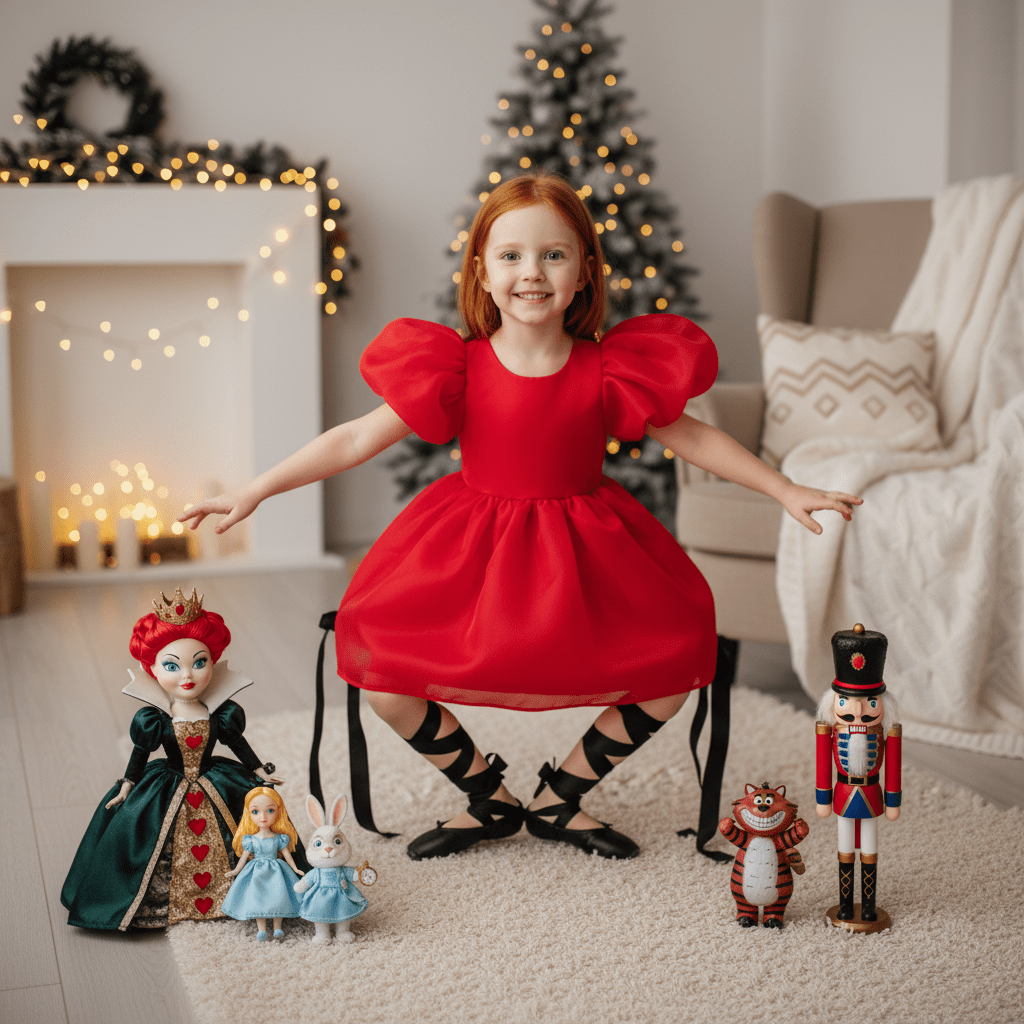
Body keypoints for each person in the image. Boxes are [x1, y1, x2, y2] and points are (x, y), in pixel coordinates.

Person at [180, 174, 860, 862]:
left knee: (674, 664)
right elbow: (355, 438)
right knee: (385, 680)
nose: (531, 273)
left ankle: (561, 796)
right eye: (510, 256)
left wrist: (784, 489)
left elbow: (693, 436)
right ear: (481, 268)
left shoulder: (608, 368)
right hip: (471, 542)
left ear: (585, 272)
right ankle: (489, 798)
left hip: (586, 545)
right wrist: (258, 490)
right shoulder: (457, 367)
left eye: (553, 255)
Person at [61, 588, 289, 930]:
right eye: (172, 665)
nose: (188, 676)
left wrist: (259, 771)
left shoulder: (221, 713)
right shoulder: (155, 720)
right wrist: (126, 788)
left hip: (215, 777)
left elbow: (237, 743)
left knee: (257, 818)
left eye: (200, 663)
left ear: (213, 662)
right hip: (167, 781)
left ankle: (248, 895)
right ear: (150, 668)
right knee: (147, 837)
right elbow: (140, 754)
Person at [815, 623, 902, 929]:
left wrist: (893, 801)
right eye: (847, 702)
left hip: (871, 794)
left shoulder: (887, 734)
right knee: (844, 850)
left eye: (869, 703)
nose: (858, 710)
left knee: (869, 849)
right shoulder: (827, 731)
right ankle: (843, 903)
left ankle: (867, 905)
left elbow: (893, 768)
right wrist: (822, 798)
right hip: (842, 793)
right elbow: (822, 765)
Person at [222, 787, 304, 940]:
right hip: (256, 872)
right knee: (257, 897)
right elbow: (244, 858)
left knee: (278, 896)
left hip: (276, 870)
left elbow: (287, 855)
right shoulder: (250, 839)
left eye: (270, 810)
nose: (263, 817)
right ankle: (261, 930)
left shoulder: (279, 838)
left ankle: (277, 928)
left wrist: (295, 868)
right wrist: (235, 871)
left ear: (278, 812)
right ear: (248, 814)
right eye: (255, 812)